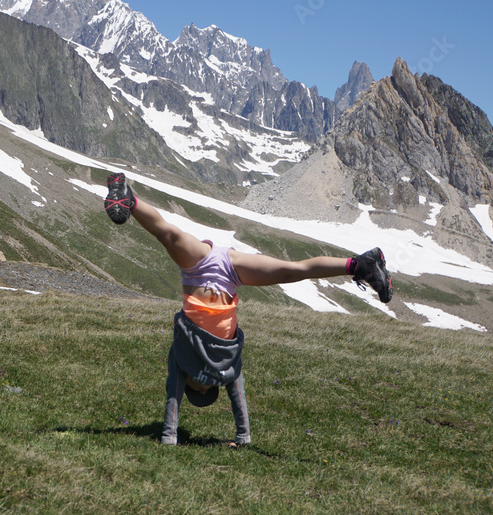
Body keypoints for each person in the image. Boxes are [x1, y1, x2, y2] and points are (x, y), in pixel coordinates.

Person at [103, 172, 393, 446]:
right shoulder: (226, 368)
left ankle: (129, 198)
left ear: (187, 384)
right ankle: (361, 265)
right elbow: (238, 396)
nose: (203, 388)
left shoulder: (181, 358)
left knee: (168, 235)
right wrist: (243, 438)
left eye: (197, 390)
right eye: (208, 391)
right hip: (232, 272)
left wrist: (169, 438)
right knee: (292, 271)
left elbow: (172, 395)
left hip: (198, 267)